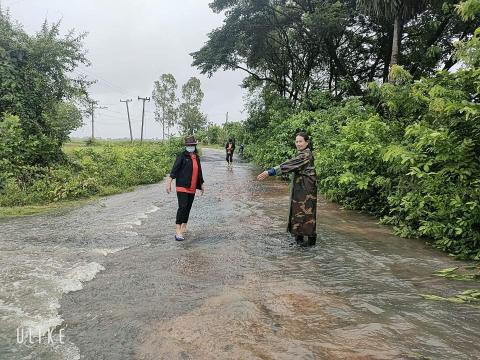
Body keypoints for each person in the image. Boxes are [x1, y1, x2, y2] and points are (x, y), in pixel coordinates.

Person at [257, 132, 317, 246]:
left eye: (301, 141)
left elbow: (288, 165)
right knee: (300, 214)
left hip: (306, 191)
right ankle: (301, 243)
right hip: (302, 189)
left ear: (307, 142)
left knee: (305, 214)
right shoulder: (303, 153)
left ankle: (308, 246)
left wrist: (269, 172)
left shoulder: (305, 155)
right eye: (297, 141)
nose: (298, 144)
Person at [166, 136, 205, 241]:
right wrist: (169, 183)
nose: (190, 147)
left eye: (192, 145)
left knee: (188, 207)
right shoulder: (182, 156)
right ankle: (178, 230)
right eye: (189, 145)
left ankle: (184, 226)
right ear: (186, 146)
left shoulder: (196, 157)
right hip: (182, 186)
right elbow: (174, 170)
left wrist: (201, 185)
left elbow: (199, 172)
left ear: (194, 146)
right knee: (182, 207)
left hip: (192, 187)